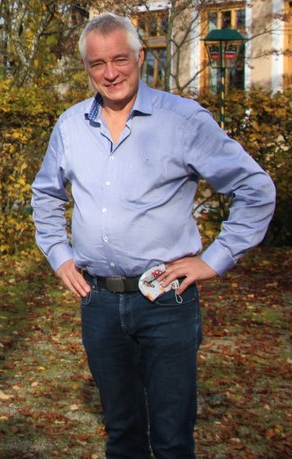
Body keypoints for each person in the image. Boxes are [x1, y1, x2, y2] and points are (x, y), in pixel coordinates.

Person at [31, 12, 276, 458]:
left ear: (141, 57)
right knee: (121, 433)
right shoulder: (70, 127)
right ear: (86, 67)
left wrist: (215, 259)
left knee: (171, 437)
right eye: (97, 64)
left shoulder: (182, 121)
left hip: (167, 300)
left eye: (120, 59)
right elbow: (45, 195)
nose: (110, 73)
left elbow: (255, 189)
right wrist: (58, 254)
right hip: (99, 302)